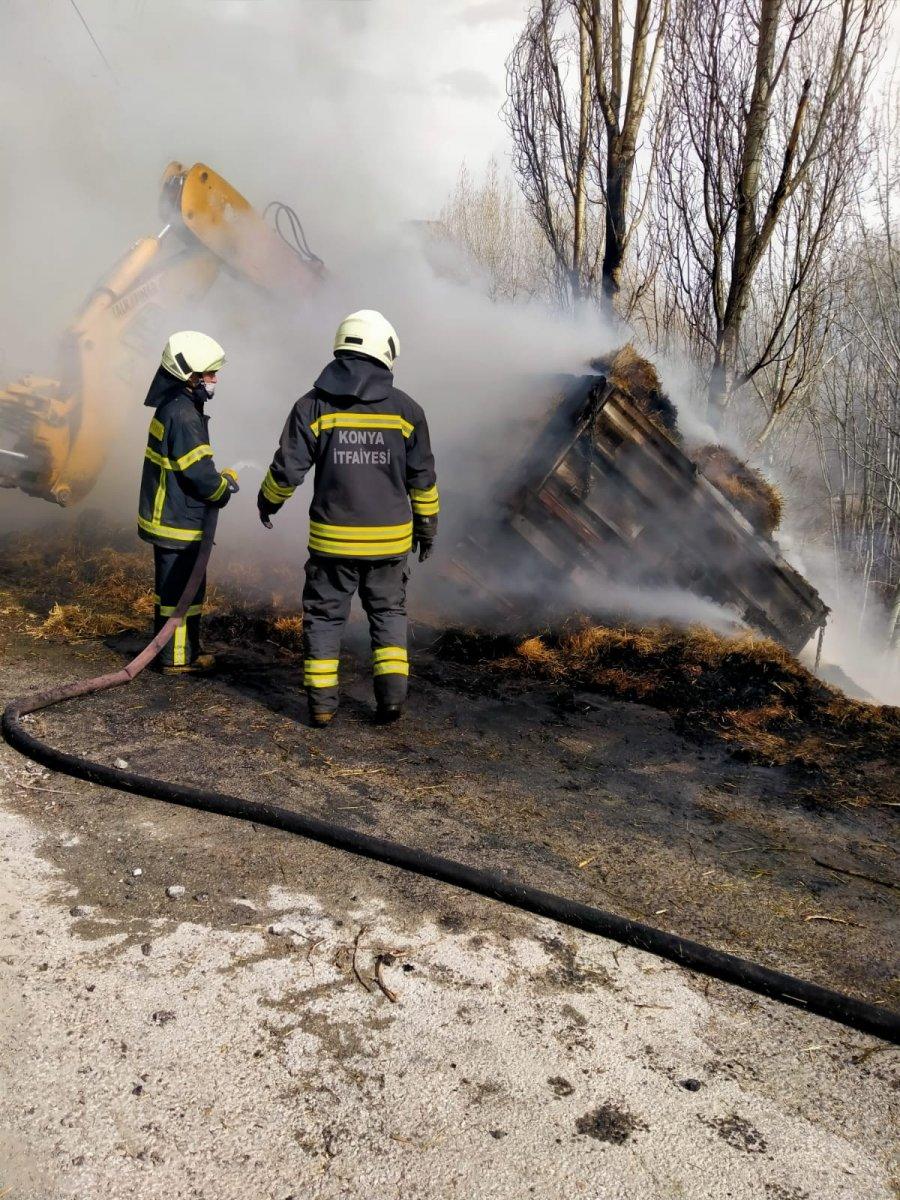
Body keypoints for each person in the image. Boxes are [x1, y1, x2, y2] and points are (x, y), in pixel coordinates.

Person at [257, 309, 438, 726]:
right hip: (390, 543)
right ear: (385, 350)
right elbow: (423, 479)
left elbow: (287, 470)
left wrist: (268, 502)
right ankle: (391, 702)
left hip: (332, 542)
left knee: (324, 619)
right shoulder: (407, 411)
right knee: (389, 615)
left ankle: (321, 708)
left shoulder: (312, 406)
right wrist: (427, 527)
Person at [137, 331, 239, 673]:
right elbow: (198, 473)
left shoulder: (174, 406)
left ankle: (180, 650)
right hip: (178, 520)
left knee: (177, 593)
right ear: (189, 376)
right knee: (182, 595)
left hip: (170, 515)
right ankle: (177, 659)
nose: (214, 380)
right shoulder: (184, 415)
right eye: (209, 374)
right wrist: (221, 489)